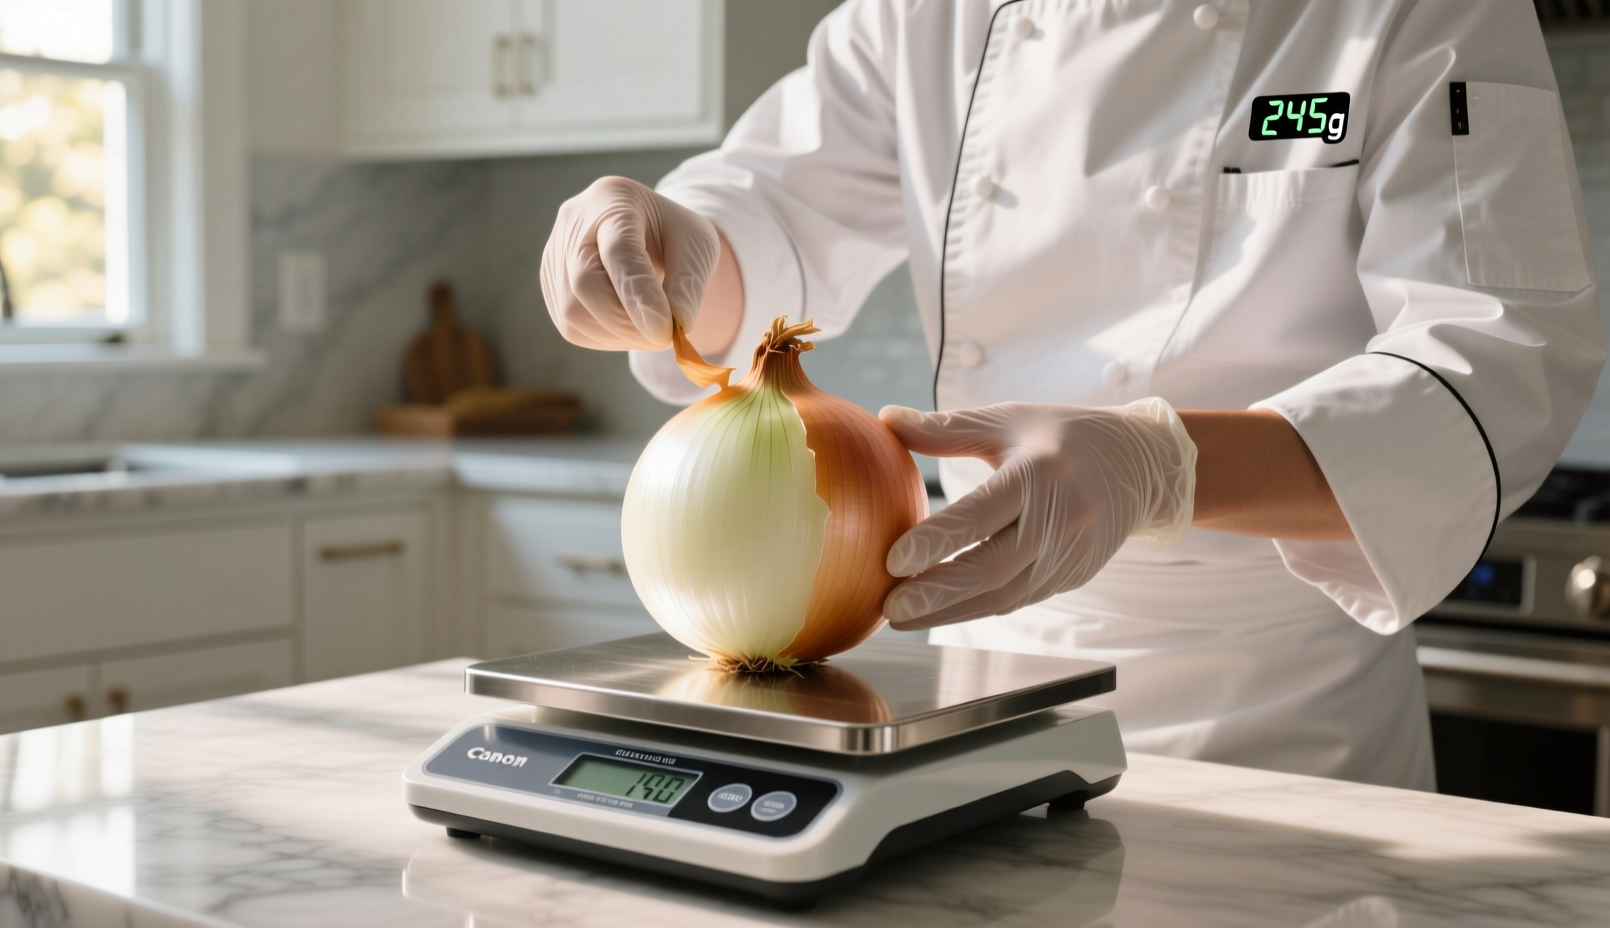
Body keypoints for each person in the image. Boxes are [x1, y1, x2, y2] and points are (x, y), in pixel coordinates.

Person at [539, 0, 1605, 790]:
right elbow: (768, 212)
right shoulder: (923, 18)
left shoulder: (1419, 10)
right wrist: (666, 249)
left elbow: (1497, 355)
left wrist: (1162, 468)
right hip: (987, 708)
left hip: (1275, 728)